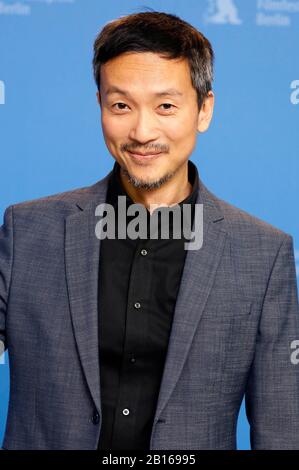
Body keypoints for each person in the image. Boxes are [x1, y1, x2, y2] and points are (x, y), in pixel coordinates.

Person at [1, 11, 299, 450]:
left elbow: (282, 429)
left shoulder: (263, 253)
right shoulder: (28, 231)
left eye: (165, 106)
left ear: (204, 110)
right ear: (99, 104)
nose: (142, 132)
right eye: (120, 105)